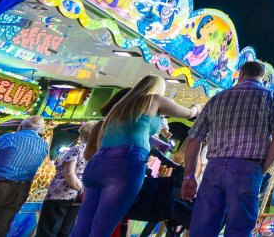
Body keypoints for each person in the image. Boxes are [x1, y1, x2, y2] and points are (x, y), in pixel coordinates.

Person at [70, 75, 198, 237]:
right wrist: (197, 108)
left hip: (98, 164)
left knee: (82, 224)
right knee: (102, 227)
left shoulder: (118, 109)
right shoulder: (154, 99)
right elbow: (188, 113)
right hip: (126, 163)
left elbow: (99, 146)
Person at [182, 61, 274, 237]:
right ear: (262, 77)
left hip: (213, 167)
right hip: (248, 168)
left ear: (241, 74)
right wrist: (262, 169)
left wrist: (189, 175)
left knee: (203, 226)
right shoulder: (273, 98)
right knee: (239, 228)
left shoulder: (217, 98)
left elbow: (194, 140)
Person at [37, 122, 96, 237]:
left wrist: (80, 189)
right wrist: (83, 192)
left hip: (60, 195)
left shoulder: (77, 149)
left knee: (47, 231)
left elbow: (69, 174)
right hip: (79, 197)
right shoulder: (97, 153)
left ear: (82, 134)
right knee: (65, 232)